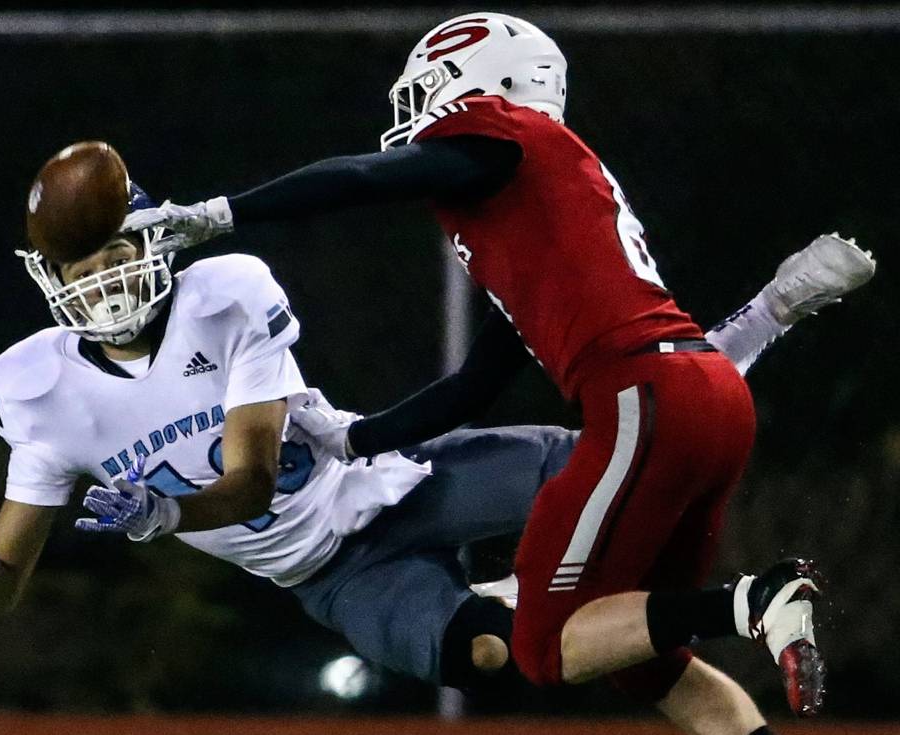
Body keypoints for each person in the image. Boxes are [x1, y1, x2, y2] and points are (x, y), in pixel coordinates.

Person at [118, 12, 876, 729]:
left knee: (545, 649)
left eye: (430, 89)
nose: (416, 117)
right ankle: (764, 327)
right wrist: (353, 440)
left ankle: (754, 597)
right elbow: (474, 384)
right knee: (644, 659)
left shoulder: (500, 139)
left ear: (488, 83)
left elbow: (365, 178)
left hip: (647, 402)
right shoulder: (541, 211)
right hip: (706, 396)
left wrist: (223, 212)